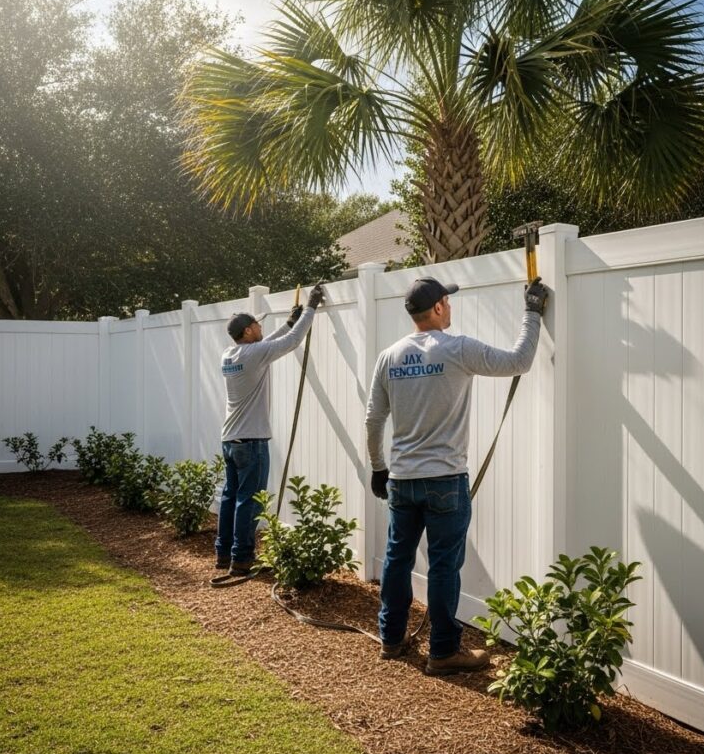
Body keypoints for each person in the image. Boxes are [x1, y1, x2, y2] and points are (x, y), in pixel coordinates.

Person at [365, 275, 549, 675]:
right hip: (445, 479)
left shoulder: (389, 356)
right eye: (447, 301)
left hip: (402, 479)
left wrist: (379, 468)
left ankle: (391, 640)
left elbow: (374, 418)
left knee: (397, 559)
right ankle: (444, 652)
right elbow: (519, 361)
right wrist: (532, 312)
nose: (450, 306)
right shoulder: (457, 349)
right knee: (444, 566)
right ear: (437, 308)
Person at [217, 284, 325, 575]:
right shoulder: (253, 354)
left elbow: (270, 344)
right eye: (257, 325)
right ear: (248, 331)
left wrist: (290, 319)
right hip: (251, 443)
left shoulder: (230, 354)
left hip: (230, 440)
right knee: (248, 500)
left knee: (230, 497)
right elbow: (291, 341)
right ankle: (242, 559)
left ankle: (223, 552)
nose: (260, 328)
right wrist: (312, 307)